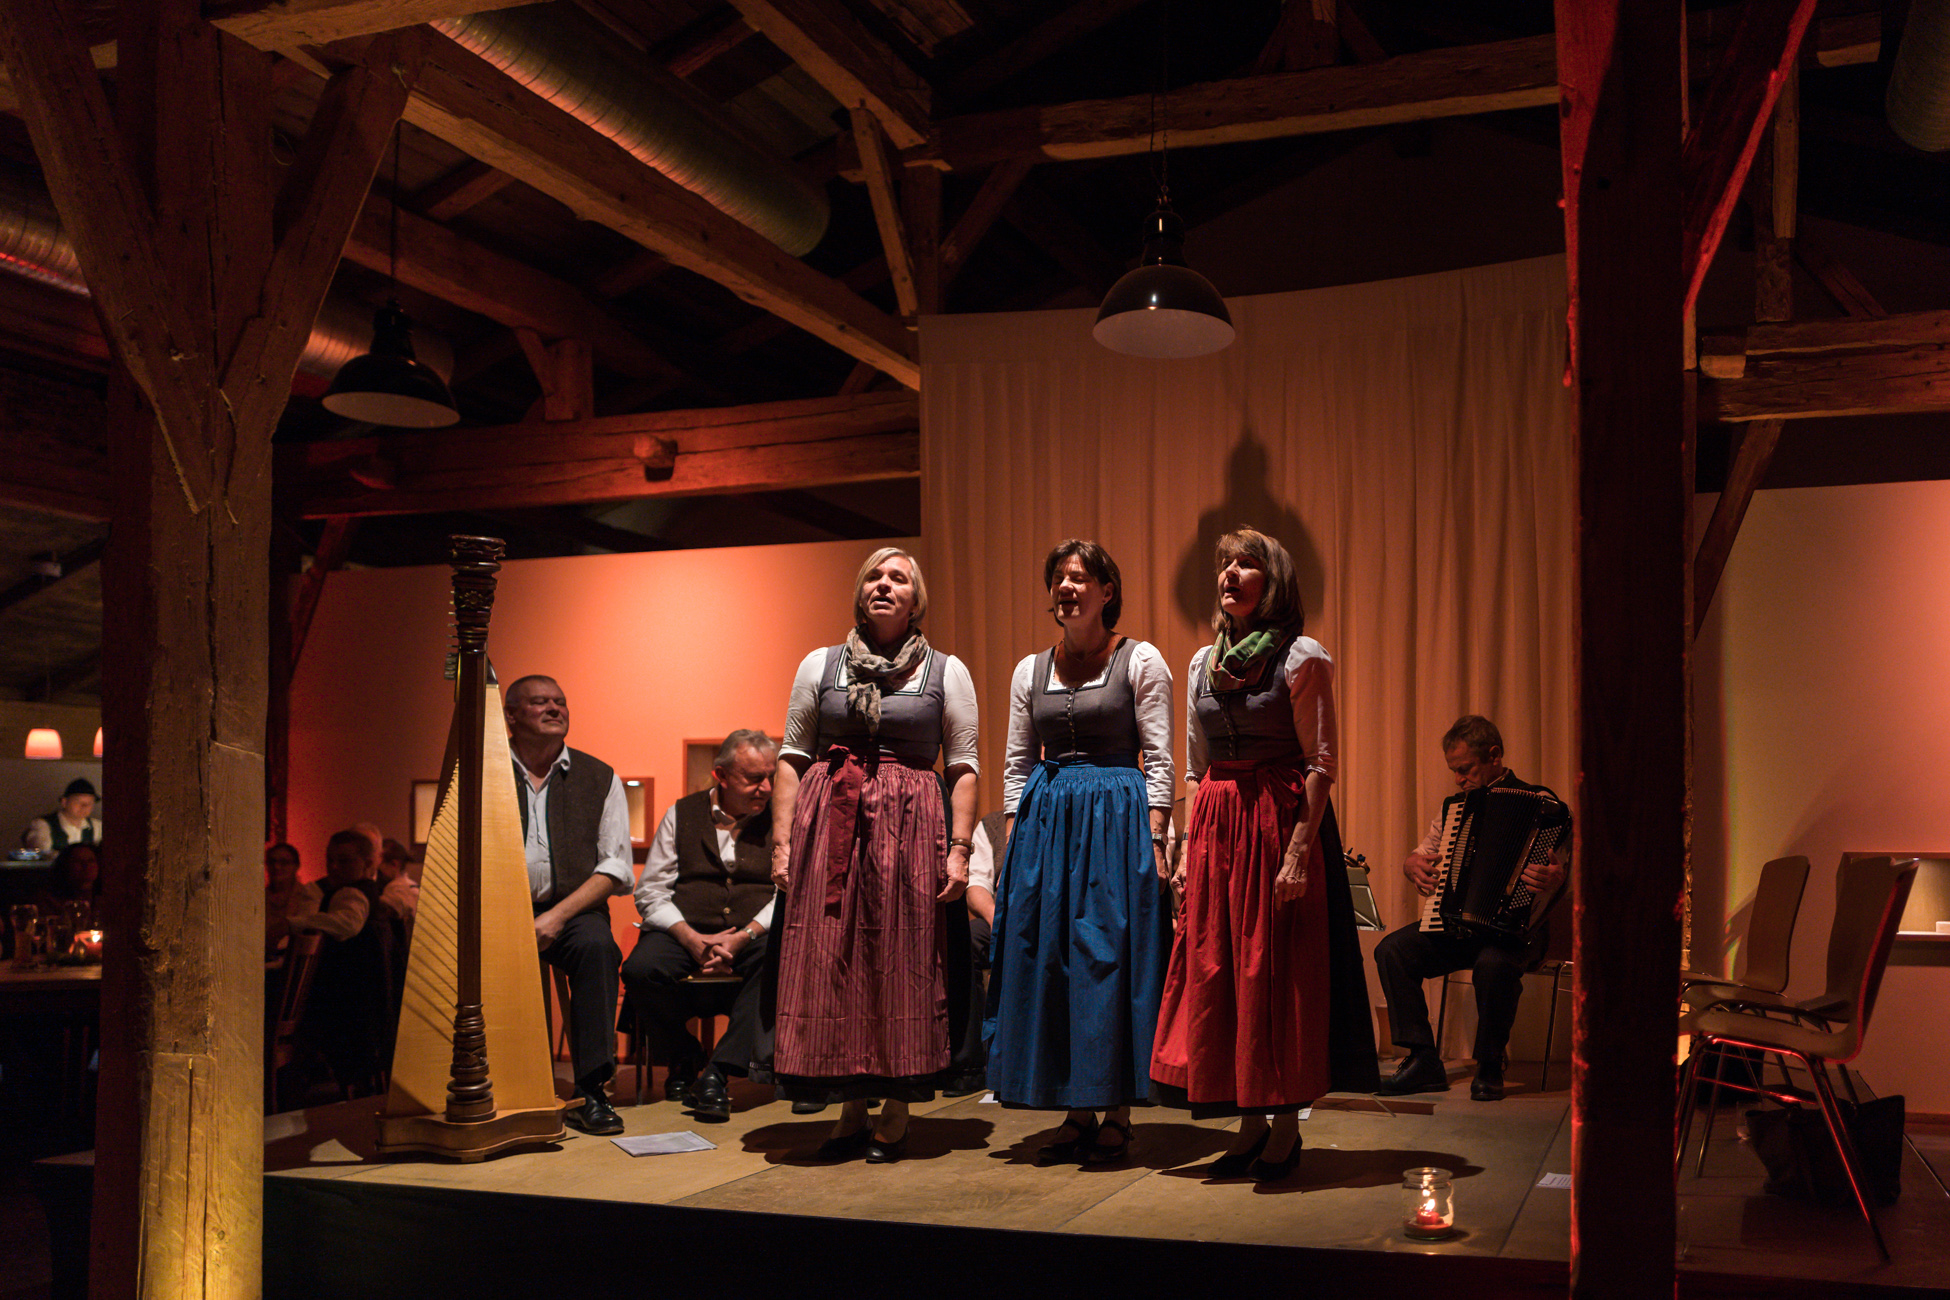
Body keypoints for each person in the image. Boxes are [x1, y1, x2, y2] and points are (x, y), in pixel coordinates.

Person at [1151, 527, 1379, 1182]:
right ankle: (1248, 1123)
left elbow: (1321, 762)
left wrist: (1299, 851)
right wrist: (1185, 850)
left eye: (1246, 564)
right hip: (1218, 824)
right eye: (1225, 564)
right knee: (1221, 969)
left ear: (1272, 581)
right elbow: (1195, 768)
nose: (1229, 574)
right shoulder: (1202, 662)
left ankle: (1285, 1126)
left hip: (1275, 821)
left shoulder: (1302, 656)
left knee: (1273, 971)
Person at [763, 546, 982, 1164]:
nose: (884, 585)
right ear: (860, 592)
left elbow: (963, 766)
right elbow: (792, 756)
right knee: (833, 957)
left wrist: (959, 851)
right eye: (874, 577)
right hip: (829, 824)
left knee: (903, 958)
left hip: (912, 826)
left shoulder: (946, 671)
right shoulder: (820, 664)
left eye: (898, 578)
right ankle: (850, 1104)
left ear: (916, 599)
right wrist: (781, 843)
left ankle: (897, 1106)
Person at [985, 540, 1174, 1164]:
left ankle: (1117, 1108)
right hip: (1048, 822)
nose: (1066, 587)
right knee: (1055, 957)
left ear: (1107, 591)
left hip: (1117, 818)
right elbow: (1017, 762)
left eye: (1079, 577)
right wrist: (1014, 841)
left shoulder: (1140, 659)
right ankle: (1075, 1108)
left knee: (1108, 956)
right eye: (1058, 578)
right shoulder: (1029, 669)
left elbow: (1160, 757)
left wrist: (1157, 836)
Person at [1373, 716, 1569, 1101]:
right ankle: (1423, 1059)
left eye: (1465, 769)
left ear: (1494, 756)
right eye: (1454, 771)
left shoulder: (1545, 808)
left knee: (1493, 963)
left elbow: (1565, 871)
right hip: (1463, 929)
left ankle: (1490, 1064)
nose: (1458, 780)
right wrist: (1411, 864)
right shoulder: (1455, 811)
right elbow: (1421, 853)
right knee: (1392, 950)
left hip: (1519, 932)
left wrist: (1556, 877)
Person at [622, 730, 779, 1122]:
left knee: (779, 961)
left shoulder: (784, 817)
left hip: (754, 932)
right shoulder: (681, 814)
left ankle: (718, 1073)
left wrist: (745, 936)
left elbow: (788, 891)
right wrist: (690, 938)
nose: (766, 788)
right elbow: (651, 891)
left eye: (770, 776)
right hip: (685, 929)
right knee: (641, 969)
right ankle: (683, 1055)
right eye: (754, 778)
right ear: (721, 776)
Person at [505, 673, 636, 1136]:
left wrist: (556, 917)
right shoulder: (484, 772)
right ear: (511, 716)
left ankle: (591, 1090)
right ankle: (491, 1080)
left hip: (573, 912)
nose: (554, 709)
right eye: (540, 702)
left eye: (560, 701)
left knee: (598, 949)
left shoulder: (598, 776)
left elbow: (616, 867)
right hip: (500, 912)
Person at [291, 828, 397, 1095]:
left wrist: (291, 924)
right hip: (367, 1004)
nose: (334, 867)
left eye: (345, 861)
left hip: (347, 1008)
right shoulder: (368, 892)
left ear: (369, 863)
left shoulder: (350, 893)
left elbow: (347, 923)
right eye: (330, 860)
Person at [22, 778, 102, 855]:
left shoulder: (97, 826)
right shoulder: (43, 825)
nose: (84, 807)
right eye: (78, 802)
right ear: (64, 802)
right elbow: (41, 855)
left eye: (89, 803)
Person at [36, 841, 102, 927]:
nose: (85, 865)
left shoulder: (105, 898)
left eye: (91, 861)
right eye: (78, 861)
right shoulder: (49, 900)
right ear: (66, 865)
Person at [265, 842, 302, 965]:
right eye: (272, 862)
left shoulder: (306, 897)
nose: (276, 867)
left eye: (284, 862)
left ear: (296, 866)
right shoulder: (258, 897)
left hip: (293, 962)